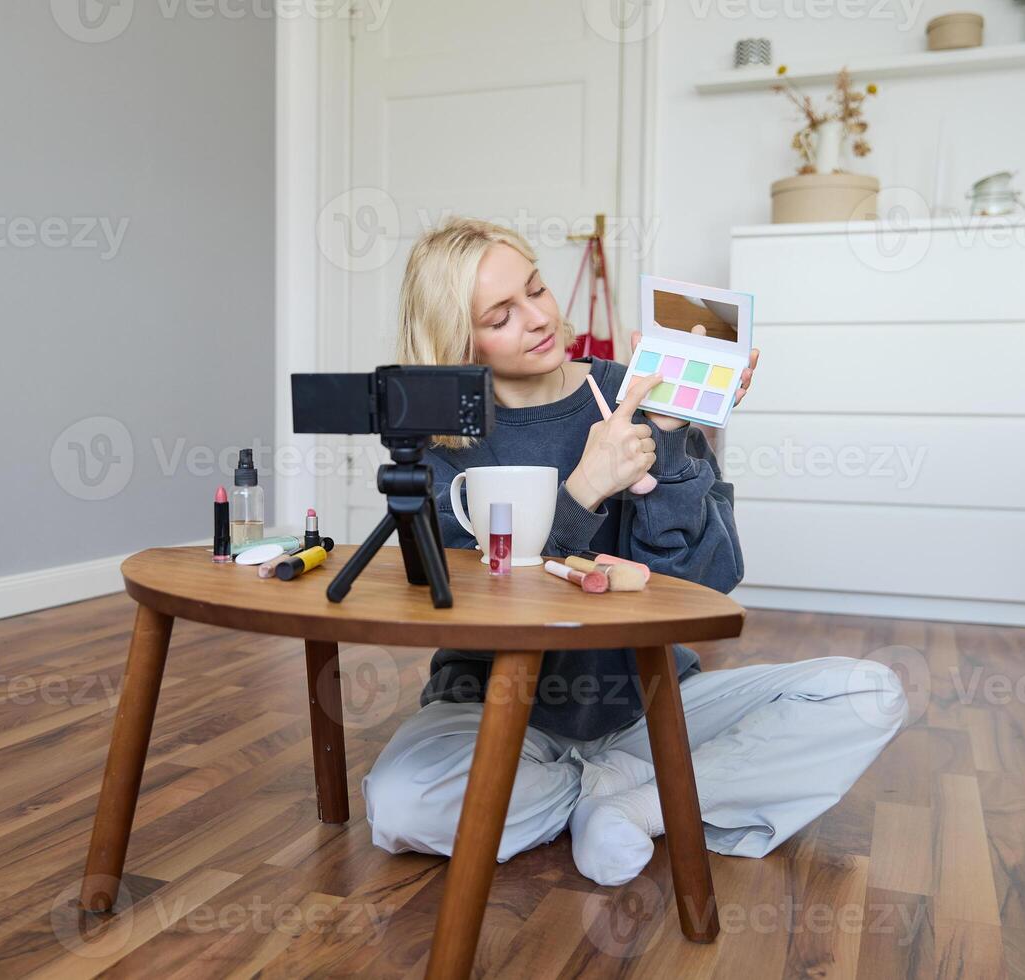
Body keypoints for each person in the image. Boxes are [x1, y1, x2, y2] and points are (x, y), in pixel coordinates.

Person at [359, 217, 908, 886]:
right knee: (399, 805)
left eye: (537, 289)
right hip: (494, 710)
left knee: (865, 694)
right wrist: (585, 488)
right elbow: (469, 601)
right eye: (502, 315)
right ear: (458, 339)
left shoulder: (641, 389)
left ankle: (633, 804)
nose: (538, 319)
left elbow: (707, 584)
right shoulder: (445, 441)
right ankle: (643, 797)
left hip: (649, 706)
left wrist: (671, 437)